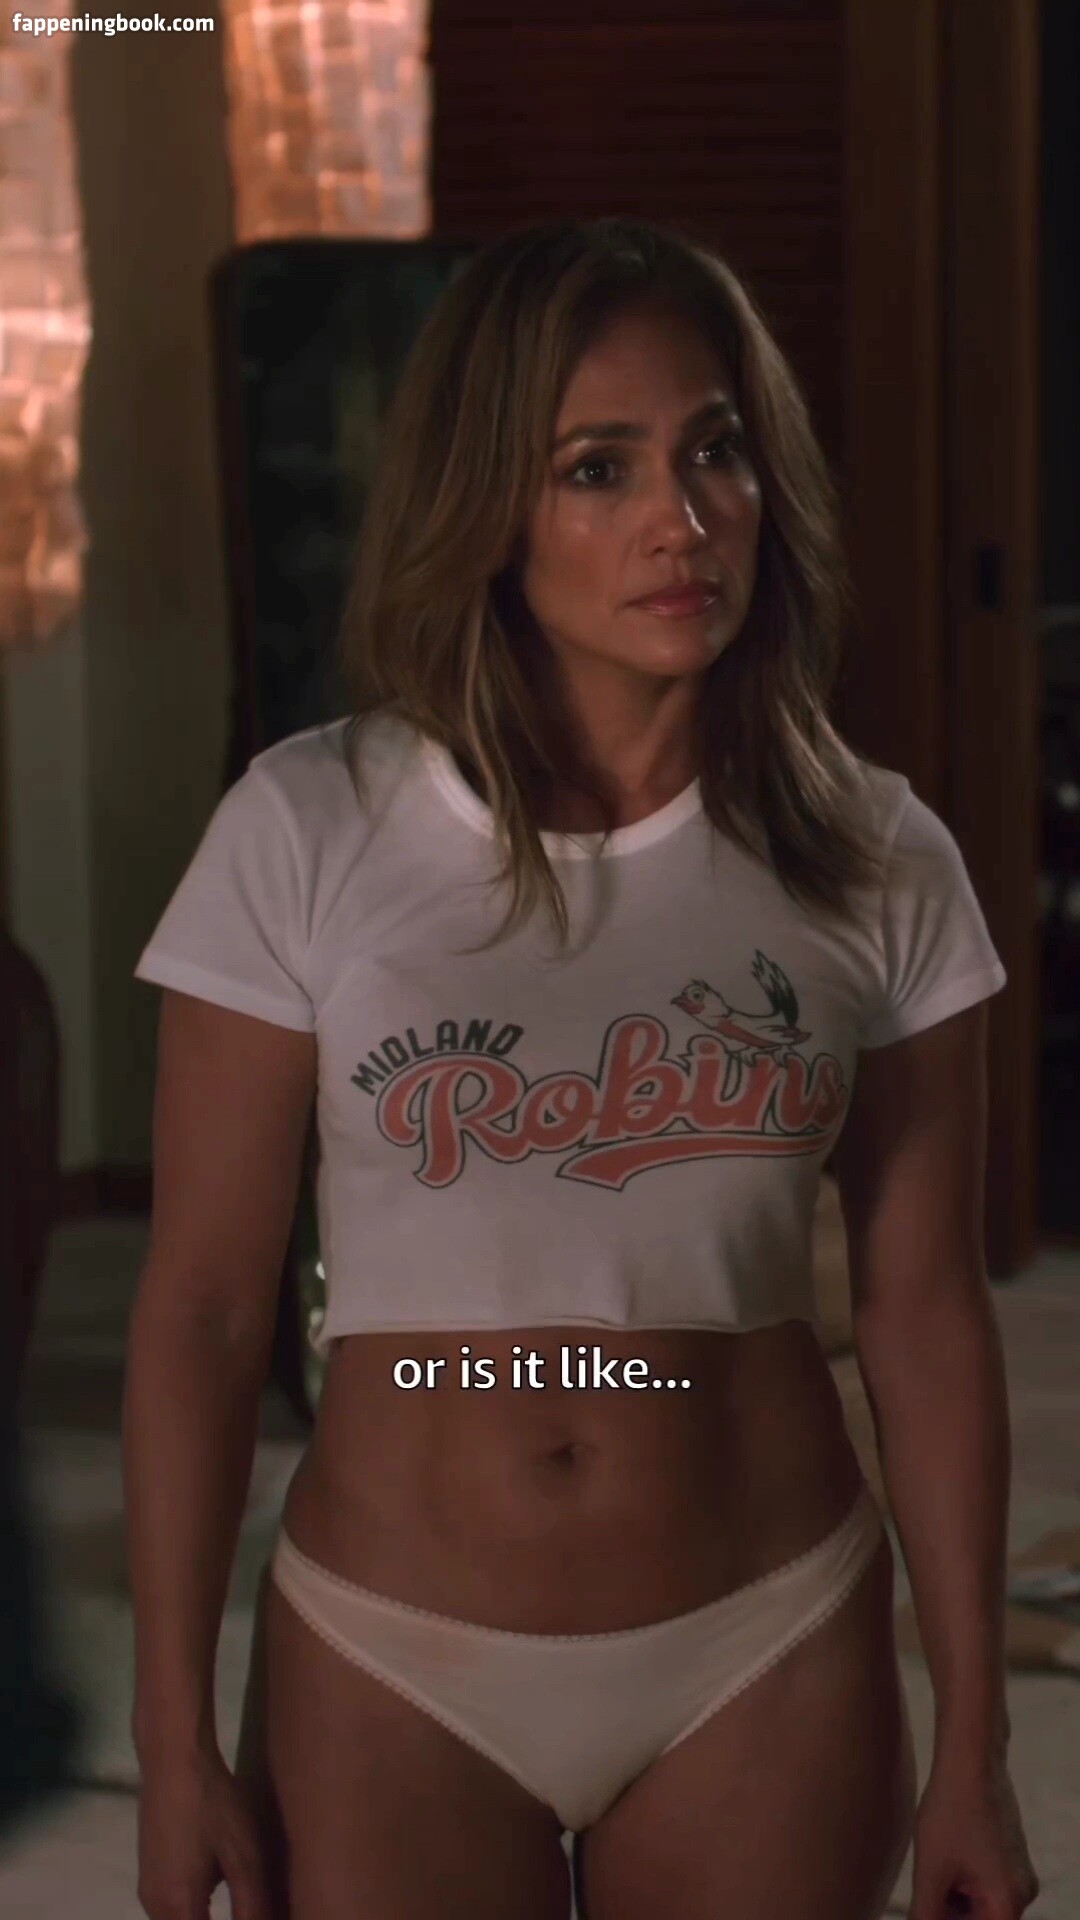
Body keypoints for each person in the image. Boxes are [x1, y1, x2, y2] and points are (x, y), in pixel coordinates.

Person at [124, 216, 1040, 1920]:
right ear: (490, 506)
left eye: (715, 451)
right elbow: (200, 1312)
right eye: (598, 468)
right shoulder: (308, 826)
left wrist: (975, 1738)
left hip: (764, 1639)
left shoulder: (877, 856)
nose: (680, 521)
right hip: (390, 1656)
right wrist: (170, 1738)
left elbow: (925, 1315)